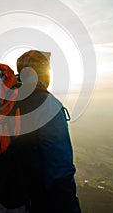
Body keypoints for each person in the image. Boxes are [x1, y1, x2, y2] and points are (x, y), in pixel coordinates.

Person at [16, 50, 81, 213]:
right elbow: (60, 172)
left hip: (6, 198)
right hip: (38, 202)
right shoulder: (48, 106)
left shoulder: (8, 102)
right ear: (44, 73)